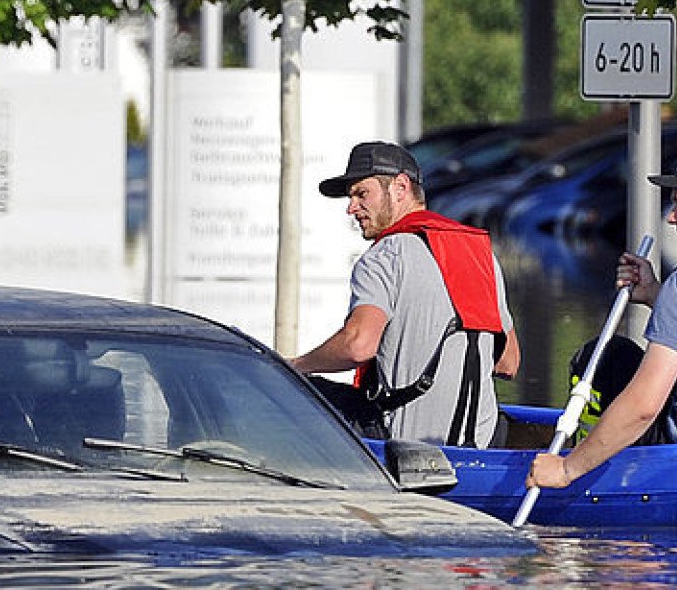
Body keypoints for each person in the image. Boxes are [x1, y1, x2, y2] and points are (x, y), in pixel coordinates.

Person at [290, 141, 520, 447]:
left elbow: (358, 346)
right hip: (481, 443)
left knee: (292, 389)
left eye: (362, 194)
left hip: (404, 446)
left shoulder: (385, 255)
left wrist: (295, 366)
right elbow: (507, 362)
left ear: (400, 187)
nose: (351, 208)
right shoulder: (481, 254)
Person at [527, 170, 677, 490]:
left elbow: (644, 406)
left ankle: (592, 467)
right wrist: (655, 295)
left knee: (607, 358)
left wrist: (566, 469)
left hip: (667, 465)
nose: (673, 218)